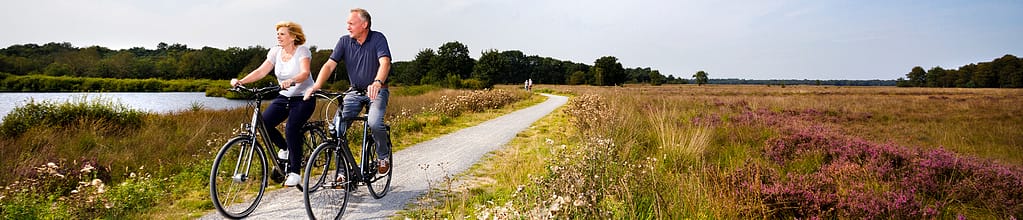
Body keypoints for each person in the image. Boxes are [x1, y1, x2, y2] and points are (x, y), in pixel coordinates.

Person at [304, 8, 392, 174]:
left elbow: (385, 62)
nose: (348, 27)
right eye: (347, 24)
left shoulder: (378, 38)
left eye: (351, 23)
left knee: (374, 122)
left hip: (377, 91)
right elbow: (330, 65)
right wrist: (316, 85)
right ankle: (343, 172)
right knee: (337, 129)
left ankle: (382, 155)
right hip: (354, 92)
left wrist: (377, 82)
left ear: (364, 25)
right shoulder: (344, 41)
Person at [230, 21, 315, 187]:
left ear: (293, 37)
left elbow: (305, 73)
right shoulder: (275, 51)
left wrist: (292, 80)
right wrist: (242, 82)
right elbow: (261, 71)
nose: (278, 36)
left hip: (303, 97)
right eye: (278, 34)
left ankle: (296, 172)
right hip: (284, 97)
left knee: (291, 128)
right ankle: (285, 148)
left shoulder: (302, 51)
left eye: (282, 34)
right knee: (264, 124)